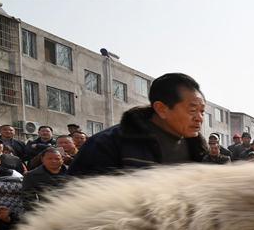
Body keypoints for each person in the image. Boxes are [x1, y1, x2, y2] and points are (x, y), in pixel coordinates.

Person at [69, 73, 207, 176]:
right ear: (161, 109)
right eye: (193, 110)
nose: (199, 118)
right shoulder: (108, 143)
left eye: (202, 111)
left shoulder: (198, 148)